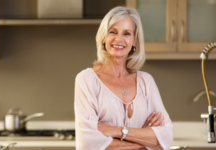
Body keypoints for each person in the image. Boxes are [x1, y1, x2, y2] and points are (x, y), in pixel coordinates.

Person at [74, 6, 173, 150]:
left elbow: (166, 136)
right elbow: (87, 142)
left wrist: (116, 131)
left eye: (127, 33)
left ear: (134, 41)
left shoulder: (146, 82)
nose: (118, 39)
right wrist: (142, 140)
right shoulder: (87, 80)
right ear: (103, 37)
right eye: (113, 32)